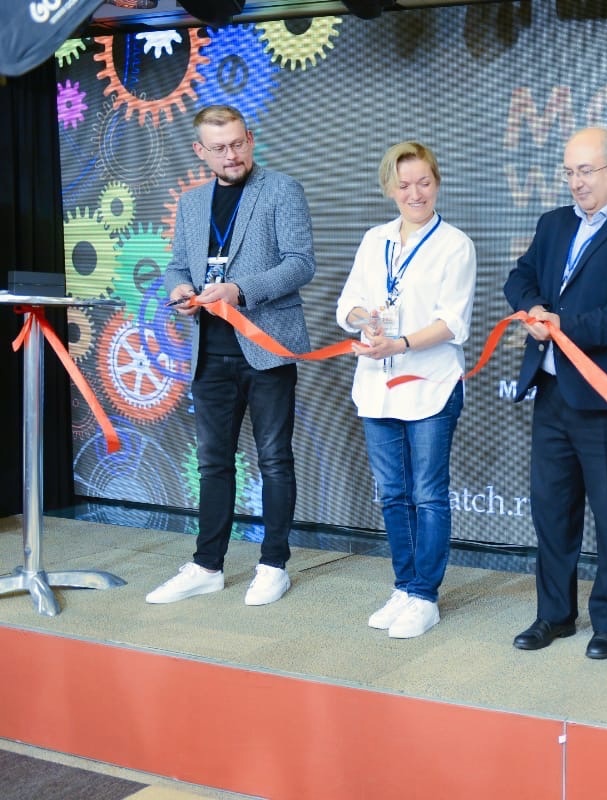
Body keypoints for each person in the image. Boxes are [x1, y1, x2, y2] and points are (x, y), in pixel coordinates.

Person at [503, 127, 607, 660]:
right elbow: (519, 278)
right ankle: (554, 615)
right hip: (552, 389)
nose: (576, 183)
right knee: (552, 510)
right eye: (570, 172)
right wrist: (534, 309)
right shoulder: (554, 223)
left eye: (586, 171)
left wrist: (563, 325)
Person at [148, 104, 316, 606]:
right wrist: (180, 290)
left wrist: (240, 290)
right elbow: (178, 266)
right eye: (219, 148)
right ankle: (207, 565)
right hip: (210, 351)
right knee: (213, 464)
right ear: (200, 151)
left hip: (266, 347)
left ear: (251, 139)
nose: (231, 155)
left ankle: (273, 564)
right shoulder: (192, 202)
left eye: (238, 143)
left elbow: (301, 264)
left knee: (274, 459)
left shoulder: (282, 189)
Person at [335, 142, 476, 638]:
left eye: (424, 182)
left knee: (428, 494)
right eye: (404, 184)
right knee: (393, 493)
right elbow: (347, 304)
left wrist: (399, 342)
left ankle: (424, 596)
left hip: (430, 385)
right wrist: (365, 319)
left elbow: (452, 323)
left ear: (436, 183)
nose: (415, 193)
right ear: (389, 189)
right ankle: (404, 585)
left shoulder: (455, 245)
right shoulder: (374, 240)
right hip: (377, 387)